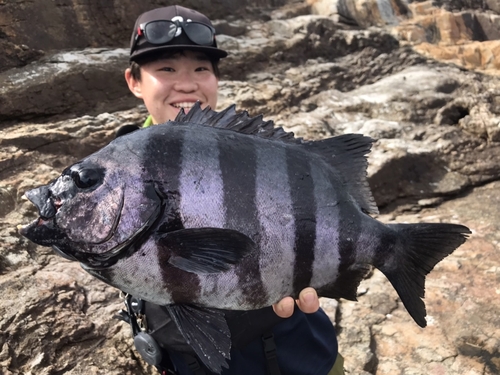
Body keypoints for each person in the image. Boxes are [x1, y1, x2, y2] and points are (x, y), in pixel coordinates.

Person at [116, 5, 345, 375]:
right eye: (166, 68)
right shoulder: (112, 170)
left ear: (217, 79)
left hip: (296, 356)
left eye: (201, 68)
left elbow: (321, 219)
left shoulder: (258, 154)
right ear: (134, 80)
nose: (187, 83)